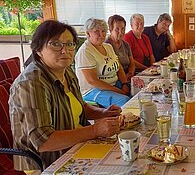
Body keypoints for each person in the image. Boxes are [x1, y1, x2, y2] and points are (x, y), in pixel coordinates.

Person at [9, 20, 121, 170]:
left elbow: (78, 107)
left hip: (76, 145)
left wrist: (103, 113)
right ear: (38, 49)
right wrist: (95, 130)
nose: (65, 50)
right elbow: (44, 141)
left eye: (70, 44)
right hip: (47, 162)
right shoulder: (31, 83)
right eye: (56, 44)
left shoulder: (66, 71)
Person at [75, 18, 130, 108]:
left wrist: (125, 83)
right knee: (125, 101)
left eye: (103, 31)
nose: (101, 35)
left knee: (139, 92)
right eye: (97, 31)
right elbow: (92, 81)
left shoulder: (108, 46)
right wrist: (117, 90)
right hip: (93, 90)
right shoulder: (85, 51)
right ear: (88, 33)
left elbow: (118, 66)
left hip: (113, 84)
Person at [106, 14, 135, 80]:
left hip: (129, 76)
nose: (121, 32)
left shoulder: (126, 45)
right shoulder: (107, 45)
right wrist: (124, 78)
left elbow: (132, 64)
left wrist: (130, 73)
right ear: (110, 29)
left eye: (123, 29)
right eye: (117, 29)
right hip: (116, 79)